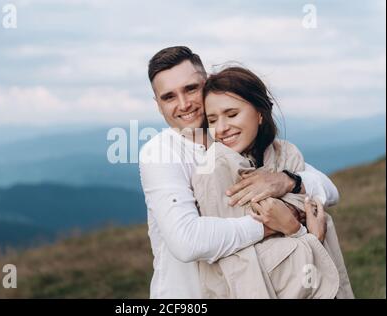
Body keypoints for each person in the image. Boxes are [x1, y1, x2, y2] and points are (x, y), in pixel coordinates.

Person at [139, 46, 340, 299]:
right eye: (169, 97)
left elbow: (329, 190)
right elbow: (187, 241)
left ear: (207, 83)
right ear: (158, 105)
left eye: (191, 89)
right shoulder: (159, 152)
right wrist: (281, 223)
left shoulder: (233, 140)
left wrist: (287, 180)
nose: (184, 104)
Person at [192, 66, 353, 298]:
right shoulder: (215, 170)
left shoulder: (287, 154)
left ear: (259, 113)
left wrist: (289, 189)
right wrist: (305, 235)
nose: (222, 128)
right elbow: (242, 268)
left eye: (232, 114)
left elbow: (325, 196)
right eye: (213, 120)